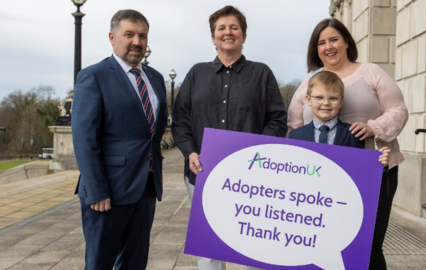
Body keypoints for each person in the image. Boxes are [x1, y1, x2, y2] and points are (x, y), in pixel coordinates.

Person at [172, 5, 287, 270]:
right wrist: (190, 152)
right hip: (202, 172)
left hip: (252, 176)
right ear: (213, 37)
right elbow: (180, 120)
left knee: (256, 244)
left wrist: (257, 151)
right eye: (221, 28)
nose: (228, 32)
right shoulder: (196, 74)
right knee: (210, 246)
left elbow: (277, 119)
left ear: (244, 36)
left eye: (234, 27)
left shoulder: (261, 73)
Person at [287, 19, 408, 270]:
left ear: (346, 42)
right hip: (322, 180)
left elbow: (398, 109)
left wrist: (373, 128)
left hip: (374, 171)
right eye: (321, 42)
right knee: (328, 244)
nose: (328, 46)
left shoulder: (371, 71)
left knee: (369, 245)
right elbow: (293, 130)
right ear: (315, 49)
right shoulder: (306, 86)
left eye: (334, 39)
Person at [72, 9, 167, 270]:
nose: (137, 41)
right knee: (100, 263)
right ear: (112, 37)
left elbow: (153, 134)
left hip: (146, 188)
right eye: (129, 34)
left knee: (135, 262)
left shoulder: (156, 79)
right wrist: (97, 189)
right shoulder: (94, 76)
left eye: (142, 35)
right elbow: (84, 139)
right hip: (108, 192)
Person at [288, 71, 390, 168]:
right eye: (319, 97)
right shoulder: (295, 135)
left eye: (333, 98)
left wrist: (380, 163)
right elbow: (292, 169)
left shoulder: (353, 133)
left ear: (341, 102)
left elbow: (359, 168)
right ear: (309, 100)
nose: (326, 103)